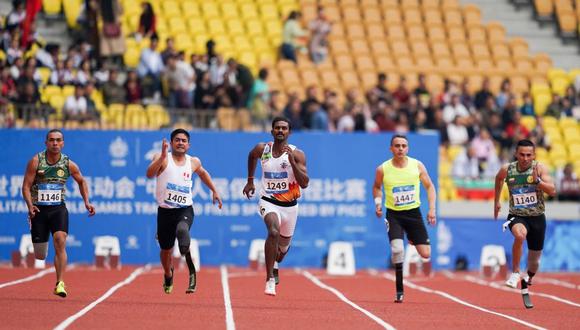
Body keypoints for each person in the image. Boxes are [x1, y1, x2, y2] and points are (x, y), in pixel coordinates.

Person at [146, 129, 222, 294]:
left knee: (182, 230)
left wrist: (214, 190)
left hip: (184, 209)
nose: (180, 143)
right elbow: (149, 174)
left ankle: (191, 270)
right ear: (172, 143)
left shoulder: (193, 161)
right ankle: (168, 273)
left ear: (188, 145)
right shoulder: (162, 159)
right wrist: (161, 157)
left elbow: (203, 173)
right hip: (165, 212)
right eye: (177, 140)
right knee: (166, 250)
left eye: (184, 140)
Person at [21, 129, 96, 298]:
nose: (55, 143)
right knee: (40, 255)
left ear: (63, 143)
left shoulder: (68, 164)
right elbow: (26, 186)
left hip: (58, 209)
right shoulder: (36, 161)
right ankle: (38, 236)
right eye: (52, 140)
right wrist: (30, 205)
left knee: (60, 240)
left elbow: (82, 181)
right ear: (46, 142)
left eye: (58, 140)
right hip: (38, 210)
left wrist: (87, 201)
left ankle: (60, 283)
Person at [243, 117, 309, 296]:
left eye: (284, 128)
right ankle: (269, 279)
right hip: (268, 201)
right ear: (272, 131)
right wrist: (250, 181)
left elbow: (304, 183)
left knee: (282, 249)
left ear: (289, 132)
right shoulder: (262, 149)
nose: (281, 131)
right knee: (273, 232)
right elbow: (251, 156)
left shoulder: (297, 154)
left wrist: (292, 163)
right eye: (277, 128)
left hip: (290, 206)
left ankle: (276, 261)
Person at [372, 134, 436, 303]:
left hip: (413, 214)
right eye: (397, 145)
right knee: (397, 249)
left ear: (407, 148)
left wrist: (432, 209)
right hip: (394, 215)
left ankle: (411, 237)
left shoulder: (417, 165)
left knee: (426, 254)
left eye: (403, 146)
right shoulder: (383, 169)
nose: (400, 148)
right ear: (391, 149)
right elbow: (377, 187)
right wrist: (378, 203)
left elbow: (430, 187)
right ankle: (399, 290)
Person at [493, 139, 556, 290]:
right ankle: (515, 273)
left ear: (534, 155)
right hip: (517, 215)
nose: (525, 158)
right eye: (522, 154)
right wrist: (496, 201)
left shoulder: (539, 169)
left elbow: (552, 191)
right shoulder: (507, 169)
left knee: (534, 262)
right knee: (520, 235)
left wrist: (538, 182)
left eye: (529, 155)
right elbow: (498, 179)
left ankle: (529, 276)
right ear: (515, 154)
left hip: (537, 217)